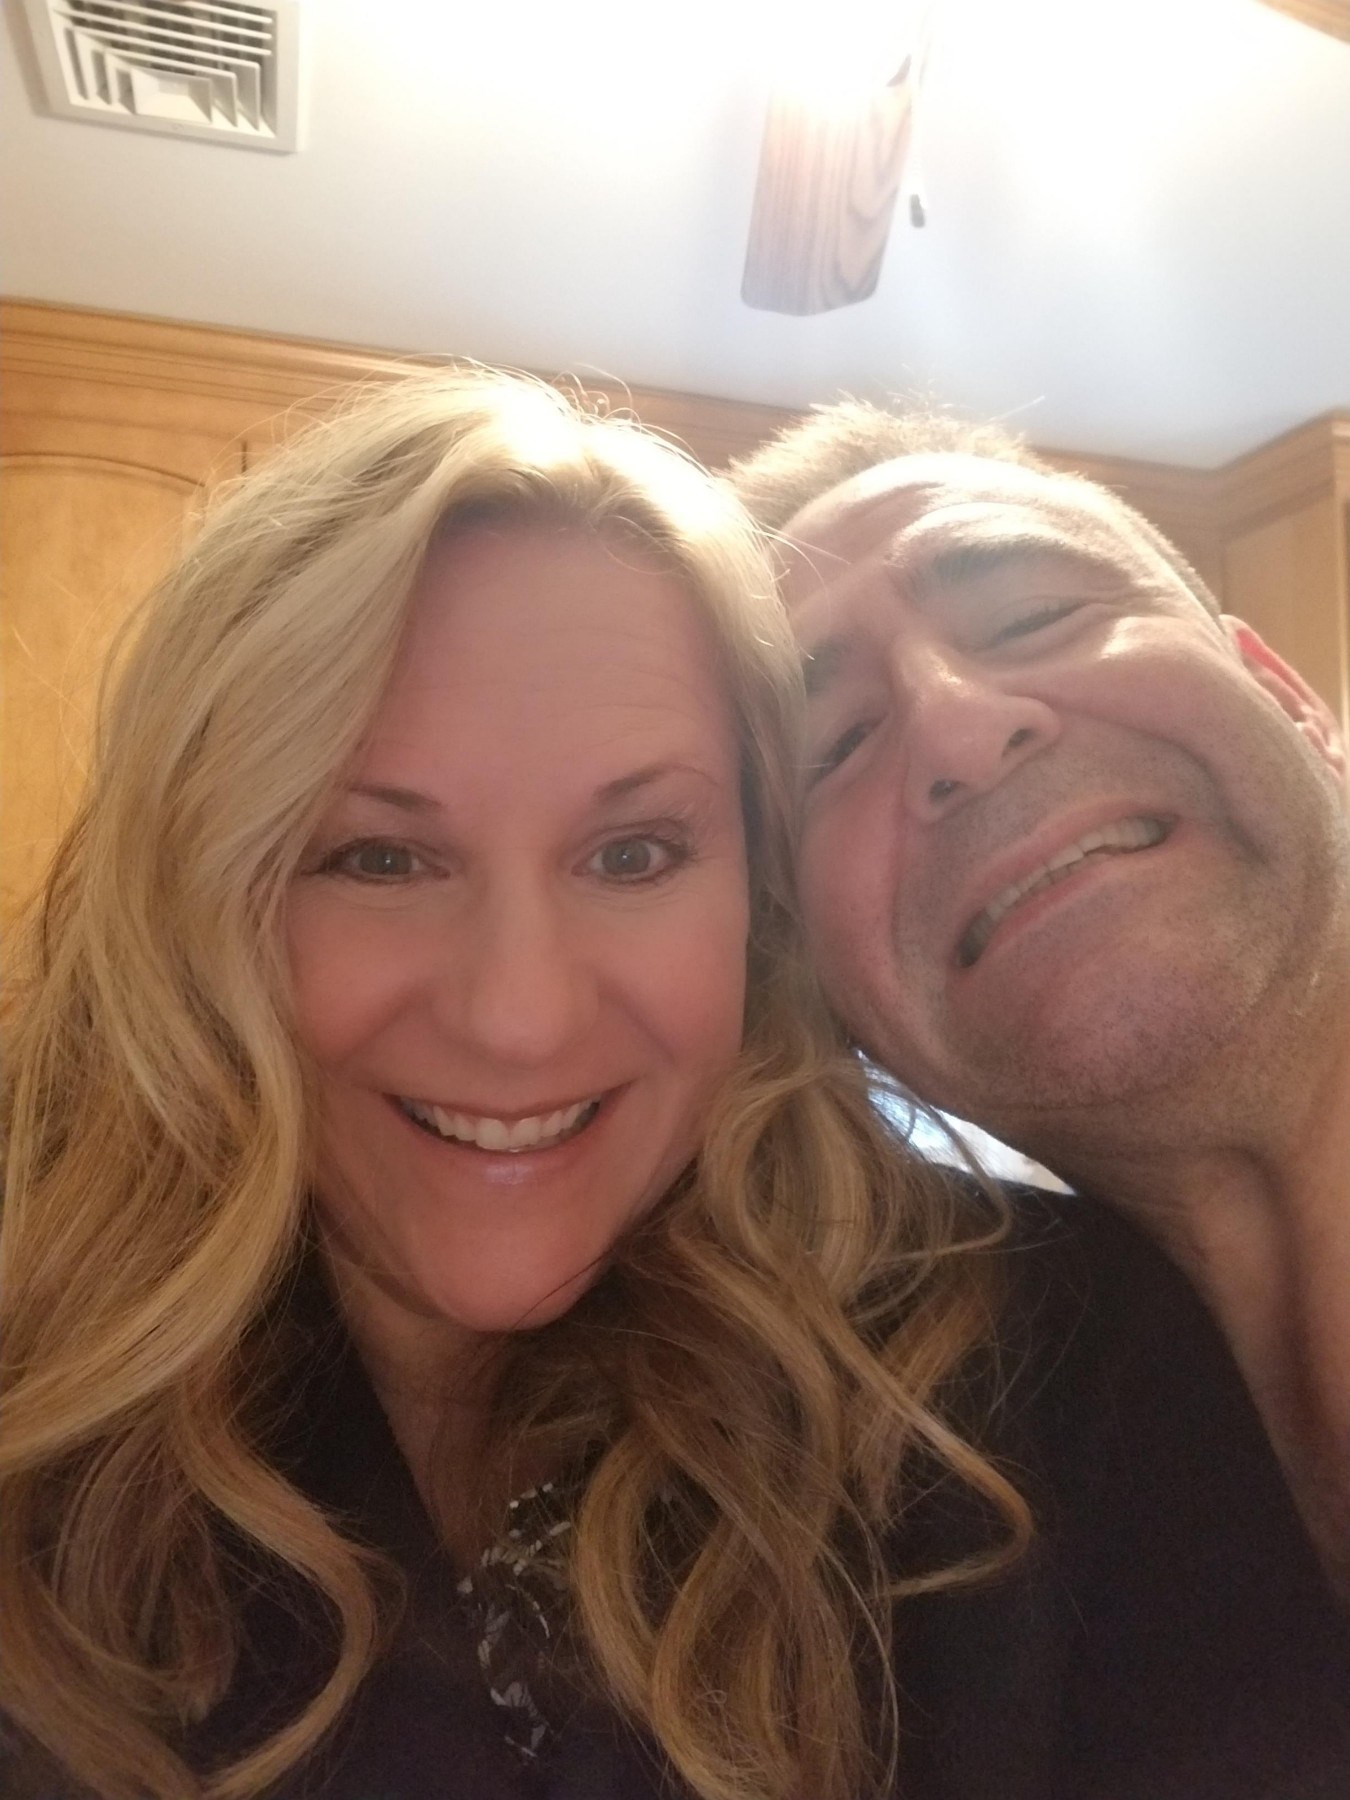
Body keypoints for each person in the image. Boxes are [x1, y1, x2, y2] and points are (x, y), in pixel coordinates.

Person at [0, 368, 1031, 1800]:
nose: (519, 1018)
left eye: (633, 854)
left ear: (758, 902)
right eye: (379, 858)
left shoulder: (1020, 1385)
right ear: (202, 900)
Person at [730, 401, 1350, 1599]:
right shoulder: (942, 1548)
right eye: (834, 746)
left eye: (1034, 615)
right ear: (818, 985)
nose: (958, 731)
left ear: (1290, 698)